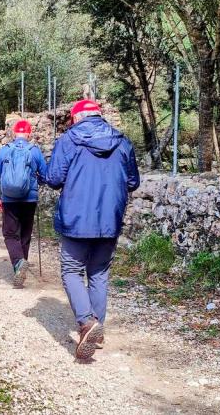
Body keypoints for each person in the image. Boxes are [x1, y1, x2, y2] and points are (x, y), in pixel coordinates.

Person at [46, 100, 139, 360]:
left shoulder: (69, 140)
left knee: (71, 270)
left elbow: (54, 179)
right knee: (99, 273)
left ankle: (87, 323)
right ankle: (97, 330)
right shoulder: (122, 141)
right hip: (110, 218)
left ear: (76, 118)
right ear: (99, 115)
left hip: (76, 219)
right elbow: (133, 181)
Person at [0, 120, 48, 288]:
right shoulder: (35, 151)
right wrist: (37, 181)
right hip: (29, 199)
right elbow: (45, 176)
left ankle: (18, 263)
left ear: (14, 133)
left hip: (9, 198)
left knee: (10, 233)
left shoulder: (5, 150)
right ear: (29, 134)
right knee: (25, 233)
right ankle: (22, 263)